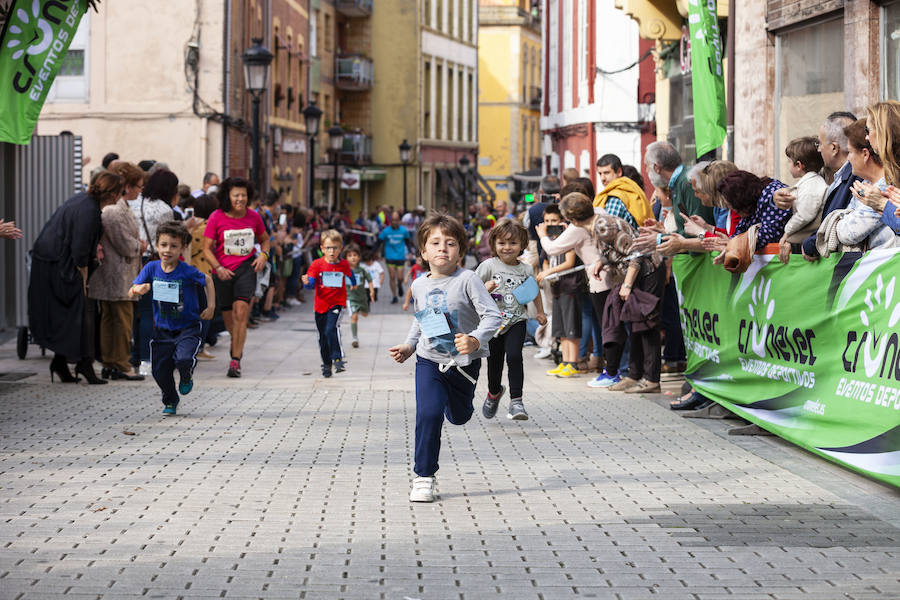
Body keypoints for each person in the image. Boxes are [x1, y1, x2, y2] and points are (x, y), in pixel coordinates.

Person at [388, 214, 502, 503]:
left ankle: (458, 406)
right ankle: (424, 476)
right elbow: (422, 318)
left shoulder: (468, 279)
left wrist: (475, 338)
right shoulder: (418, 284)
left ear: (461, 252)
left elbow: (493, 316)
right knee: (428, 413)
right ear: (423, 252)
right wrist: (410, 345)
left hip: (464, 365)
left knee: (460, 416)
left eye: (450, 243)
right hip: (429, 360)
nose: (442, 249)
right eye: (435, 243)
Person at [29, 171, 123, 384]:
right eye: (120, 192)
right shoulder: (88, 210)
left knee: (70, 315)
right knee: (80, 314)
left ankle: (62, 362)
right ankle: (84, 364)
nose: (121, 196)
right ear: (112, 193)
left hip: (51, 262)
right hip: (59, 266)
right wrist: (83, 277)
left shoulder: (83, 201)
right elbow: (80, 249)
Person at [130, 221, 215, 415]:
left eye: (174, 246)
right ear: (157, 246)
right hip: (162, 331)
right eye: (164, 245)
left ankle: (186, 376)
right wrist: (138, 289)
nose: (168, 250)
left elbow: (208, 281)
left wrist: (211, 306)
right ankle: (170, 399)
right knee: (159, 371)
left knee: (184, 358)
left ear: (183, 248)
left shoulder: (186, 271)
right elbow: (131, 290)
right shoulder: (151, 268)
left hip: (188, 328)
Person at [476, 219, 547, 421]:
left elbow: (534, 292)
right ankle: (494, 393)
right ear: (494, 245)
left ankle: (517, 401)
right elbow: (471, 289)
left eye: (513, 243)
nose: (507, 248)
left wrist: (540, 312)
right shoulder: (488, 266)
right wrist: (484, 290)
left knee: (515, 356)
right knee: (494, 362)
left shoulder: (525, 269)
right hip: (492, 323)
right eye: (502, 243)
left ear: (522, 245)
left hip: (517, 320)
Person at [202, 177, 270, 378]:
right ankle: (237, 341)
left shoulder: (254, 217)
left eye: (243, 195)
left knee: (242, 312)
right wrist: (218, 267)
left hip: (245, 269)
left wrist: (264, 257)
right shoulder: (216, 217)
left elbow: (265, 240)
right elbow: (207, 248)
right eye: (236, 195)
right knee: (229, 319)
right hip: (222, 272)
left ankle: (235, 361)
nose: (240, 199)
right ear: (228, 197)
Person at [772, 112, 858, 260]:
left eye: (820, 144)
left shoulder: (857, 178)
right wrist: (776, 198)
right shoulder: (825, 175)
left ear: (834, 148)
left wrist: (808, 244)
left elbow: (840, 226)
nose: (818, 150)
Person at [88, 162, 146, 381]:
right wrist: (139, 246)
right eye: (138, 186)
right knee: (121, 320)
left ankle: (112, 362)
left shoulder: (119, 208)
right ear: (127, 186)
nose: (140, 191)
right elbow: (123, 242)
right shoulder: (114, 210)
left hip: (117, 272)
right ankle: (120, 363)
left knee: (112, 319)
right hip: (117, 273)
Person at [130, 169, 178, 375]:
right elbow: (169, 239)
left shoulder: (134, 203)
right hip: (154, 262)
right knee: (150, 313)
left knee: (133, 313)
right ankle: (146, 359)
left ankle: (131, 356)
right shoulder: (165, 209)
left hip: (131, 260)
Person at [833, 119, 900, 250]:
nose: (848, 158)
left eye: (850, 152)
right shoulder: (865, 184)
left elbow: (847, 233)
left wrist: (838, 221)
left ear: (865, 154)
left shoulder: (884, 187)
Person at [536, 204, 583, 377]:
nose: (550, 223)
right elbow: (545, 259)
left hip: (569, 286)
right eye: (547, 220)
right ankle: (564, 360)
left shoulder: (567, 237)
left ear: (562, 220)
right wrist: (547, 271)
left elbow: (569, 262)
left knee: (571, 326)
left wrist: (549, 271)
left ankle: (573, 362)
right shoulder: (547, 239)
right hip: (556, 288)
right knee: (560, 327)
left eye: (554, 220)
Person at [302, 229, 357, 377]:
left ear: (340, 248)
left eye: (335, 247)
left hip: (337, 304)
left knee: (331, 329)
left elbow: (351, 275)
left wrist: (354, 283)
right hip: (320, 306)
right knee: (323, 336)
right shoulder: (317, 265)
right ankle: (326, 364)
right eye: (328, 248)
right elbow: (310, 284)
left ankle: (338, 358)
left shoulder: (343, 264)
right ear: (322, 249)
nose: (331, 251)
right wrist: (306, 282)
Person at [778, 137, 827, 262]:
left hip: (808, 242)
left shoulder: (811, 185)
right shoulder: (810, 183)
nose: (788, 165)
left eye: (789, 161)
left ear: (799, 165)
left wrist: (787, 232)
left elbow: (805, 215)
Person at [717, 170, 790, 250]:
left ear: (740, 201)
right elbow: (741, 231)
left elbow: (769, 235)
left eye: (729, 205)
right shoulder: (752, 203)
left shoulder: (771, 195)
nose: (730, 209)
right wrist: (729, 242)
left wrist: (734, 243)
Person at [188, 193, 220, 360]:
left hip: (192, 271)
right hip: (204, 272)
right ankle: (199, 346)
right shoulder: (209, 228)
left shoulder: (194, 227)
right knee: (206, 311)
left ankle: (197, 346)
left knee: (196, 310)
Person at [862, 102, 900, 234]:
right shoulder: (894, 167)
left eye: (867, 130)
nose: (866, 137)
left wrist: (882, 204)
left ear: (882, 131)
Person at [593, 154, 653, 228]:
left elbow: (608, 229)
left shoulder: (615, 197)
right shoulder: (632, 188)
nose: (602, 178)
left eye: (606, 173)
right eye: (600, 174)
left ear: (619, 172)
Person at [344, 243, 374, 348]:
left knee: (365, 314)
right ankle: (354, 338)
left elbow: (370, 280)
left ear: (359, 257)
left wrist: (371, 292)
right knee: (354, 317)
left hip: (362, 298)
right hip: (350, 298)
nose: (353, 258)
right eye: (350, 255)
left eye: (355, 255)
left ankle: (362, 310)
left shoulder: (362, 270)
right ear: (346, 258)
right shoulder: (344, 270)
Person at [378, 211, 412, 304]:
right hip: (389, 257)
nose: (394, 222)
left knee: (400, 278)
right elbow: (378, 242)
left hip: (400, 257)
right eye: (393, 220)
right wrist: (373, 254)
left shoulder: (403, 231)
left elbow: (408, 242)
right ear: (390, 221)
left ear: (399, 220)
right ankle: (394, 296)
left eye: (396, 220)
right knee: (392, 276)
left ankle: (400, 285)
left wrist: (410, 252)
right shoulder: (386, 231)